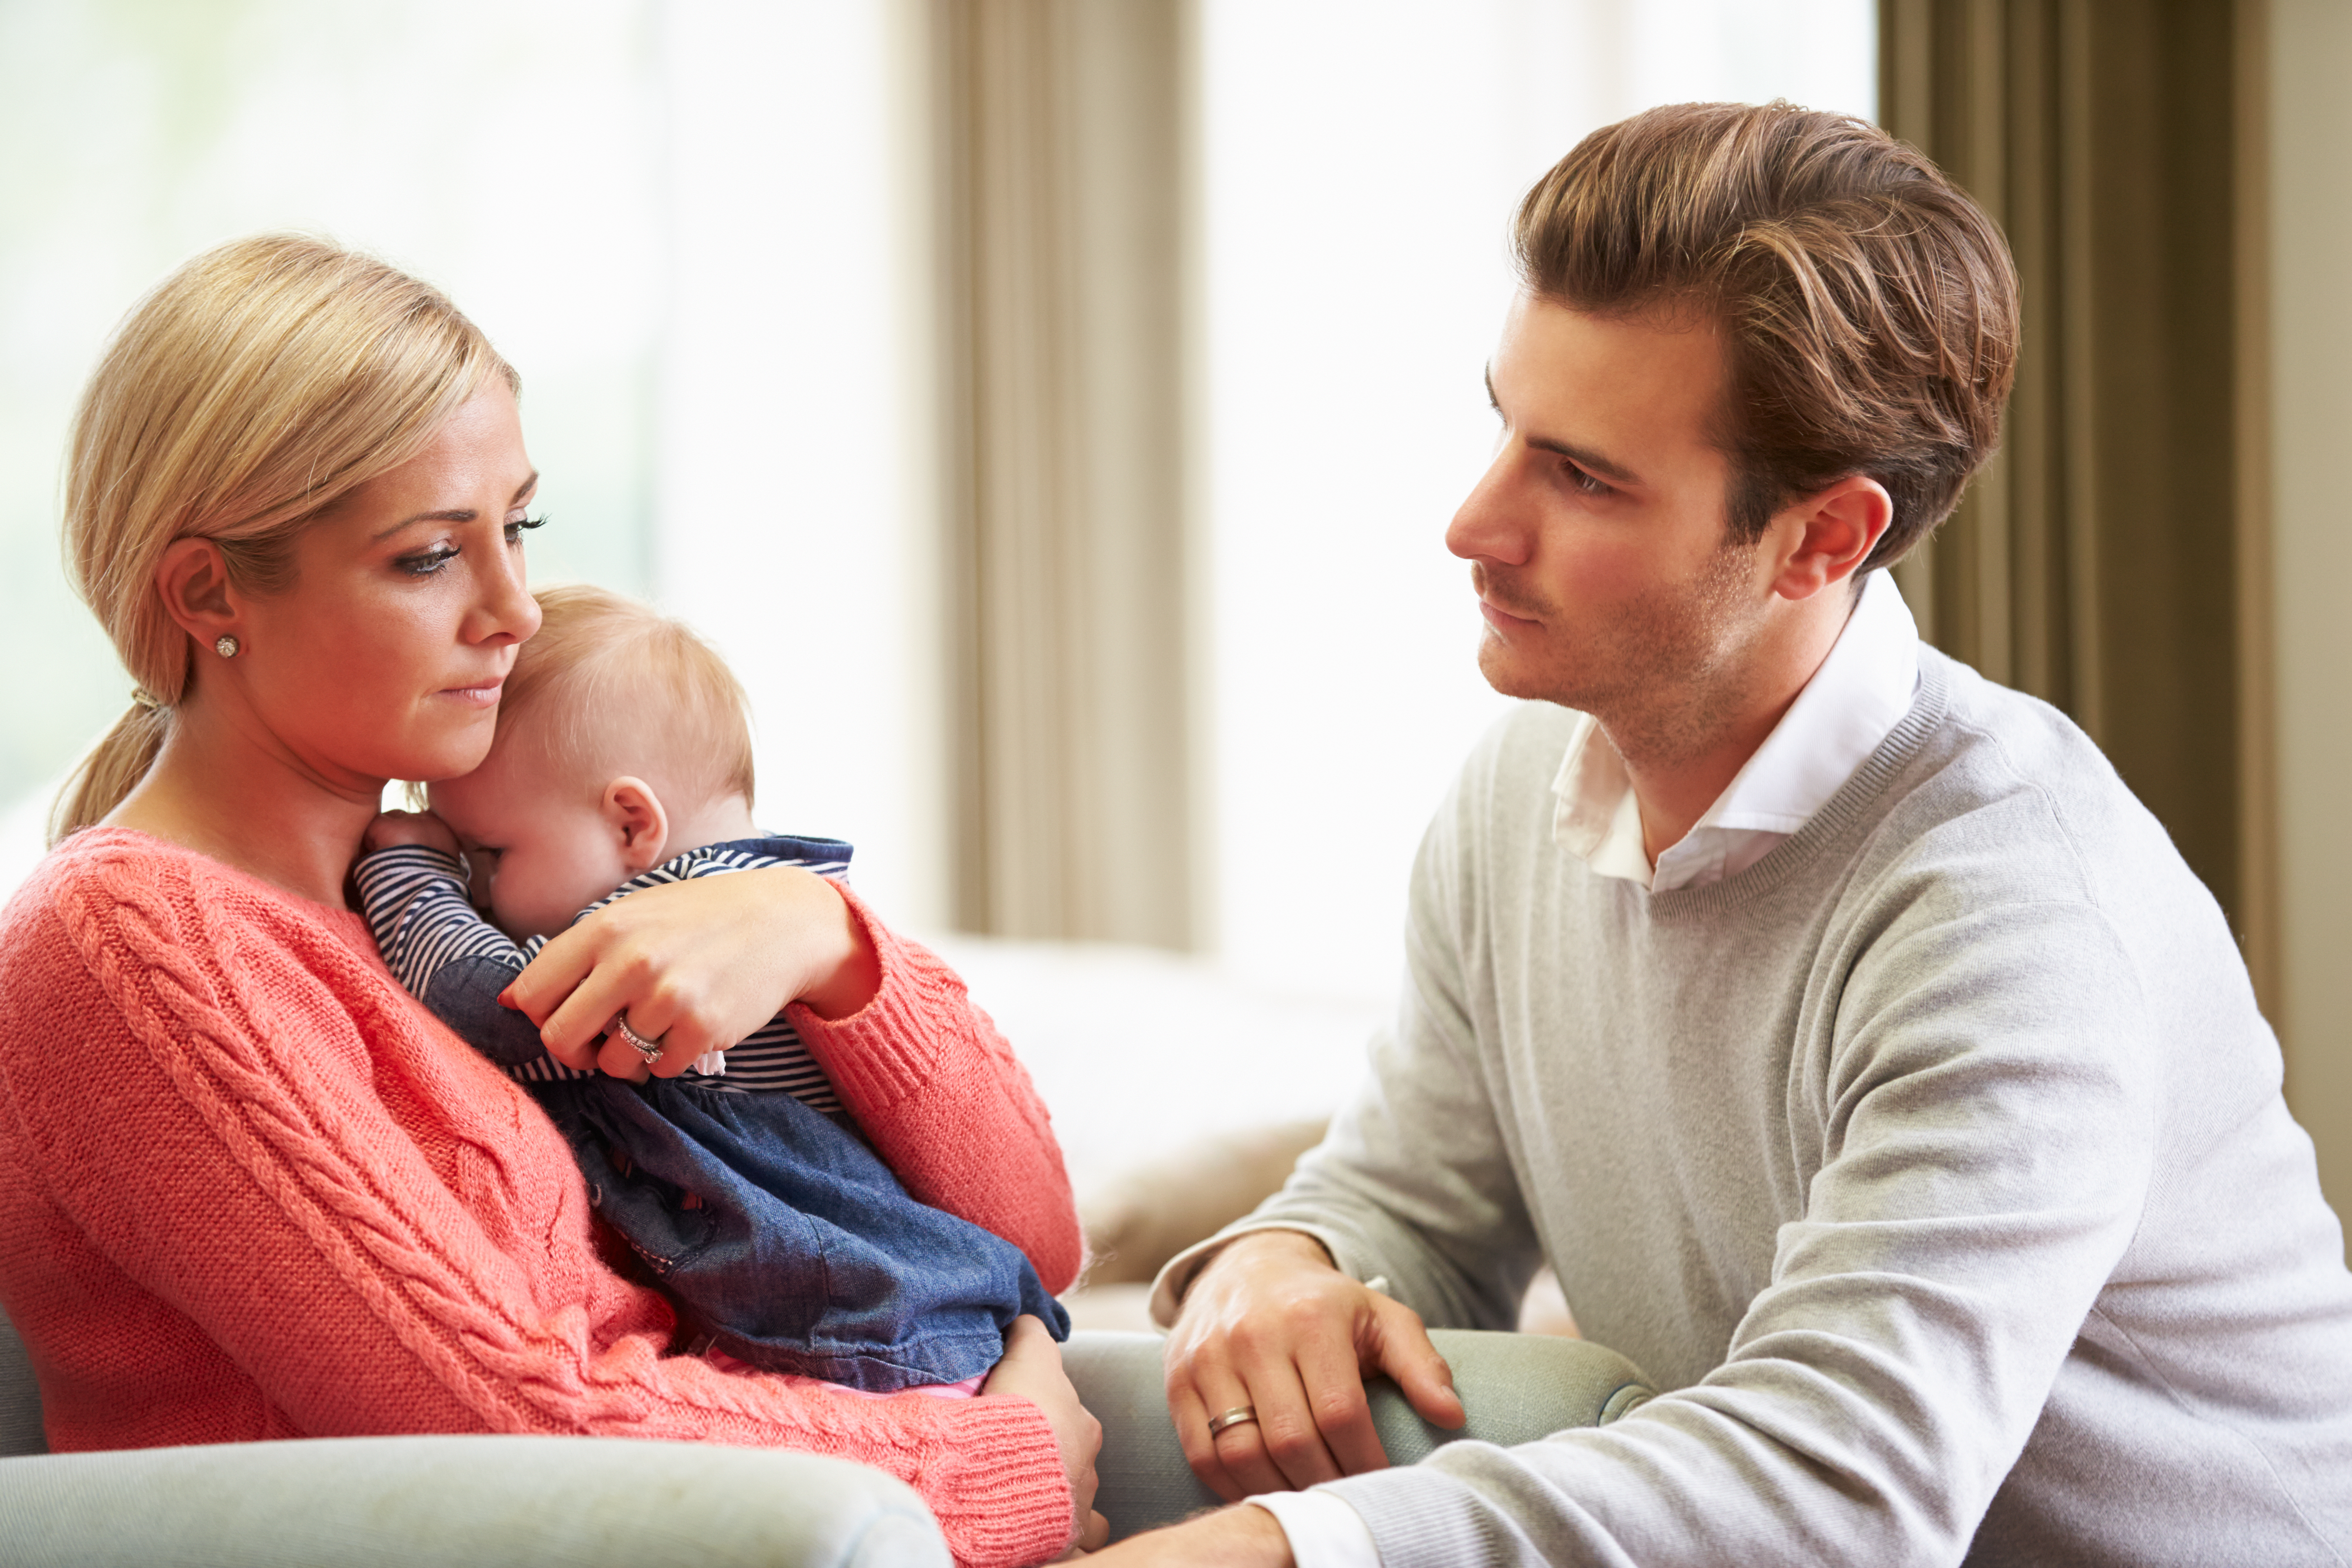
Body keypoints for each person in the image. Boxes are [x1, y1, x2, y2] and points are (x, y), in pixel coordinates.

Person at [1099, 103, 2352, 1566]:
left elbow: (1842, 1489)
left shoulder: (2011, 912)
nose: (1473, 523)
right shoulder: (1524, 792)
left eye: (1582, 477)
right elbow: (1418, 1193)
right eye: (1504, 424)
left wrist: (1282, 1550)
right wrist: (1284, 1258)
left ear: (1824, 538)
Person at [0, 234, 1106, 1566]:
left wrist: (829, 944)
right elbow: (507, 1418)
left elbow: (1029, 1238)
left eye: (516, 528)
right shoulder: (134, 949)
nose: (516, 610)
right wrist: (993, 1469)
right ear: (209, 591)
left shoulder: (465, 908)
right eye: (427, 558)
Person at [354, 582, 1068, 1392]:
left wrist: (408, 874)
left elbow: (492, 1004)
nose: (478, 893)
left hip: (837, 1339)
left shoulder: (667, 931)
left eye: (488, 857)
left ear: (631, 824)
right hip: (905, 1327)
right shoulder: (777, 877)